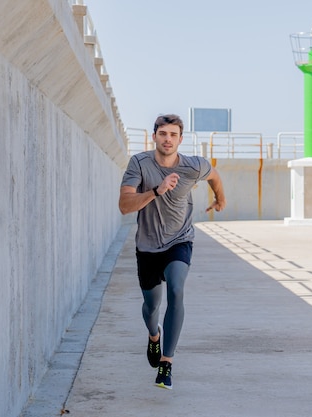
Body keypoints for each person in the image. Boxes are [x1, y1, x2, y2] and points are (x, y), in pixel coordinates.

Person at [118, 114, 226, 390]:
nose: (168, 139)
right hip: (148, 246)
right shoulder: (139, 164)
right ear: (154, 136)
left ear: (180, 138)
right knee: (151, 308)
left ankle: (166, 363)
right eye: (163, 134)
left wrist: (220, 199)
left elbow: (214, 175)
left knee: (177, 289)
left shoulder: (193, 165)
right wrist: (157, 190)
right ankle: (154, 337)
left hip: (180, 240)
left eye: (173, 134)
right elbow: (125, 206)